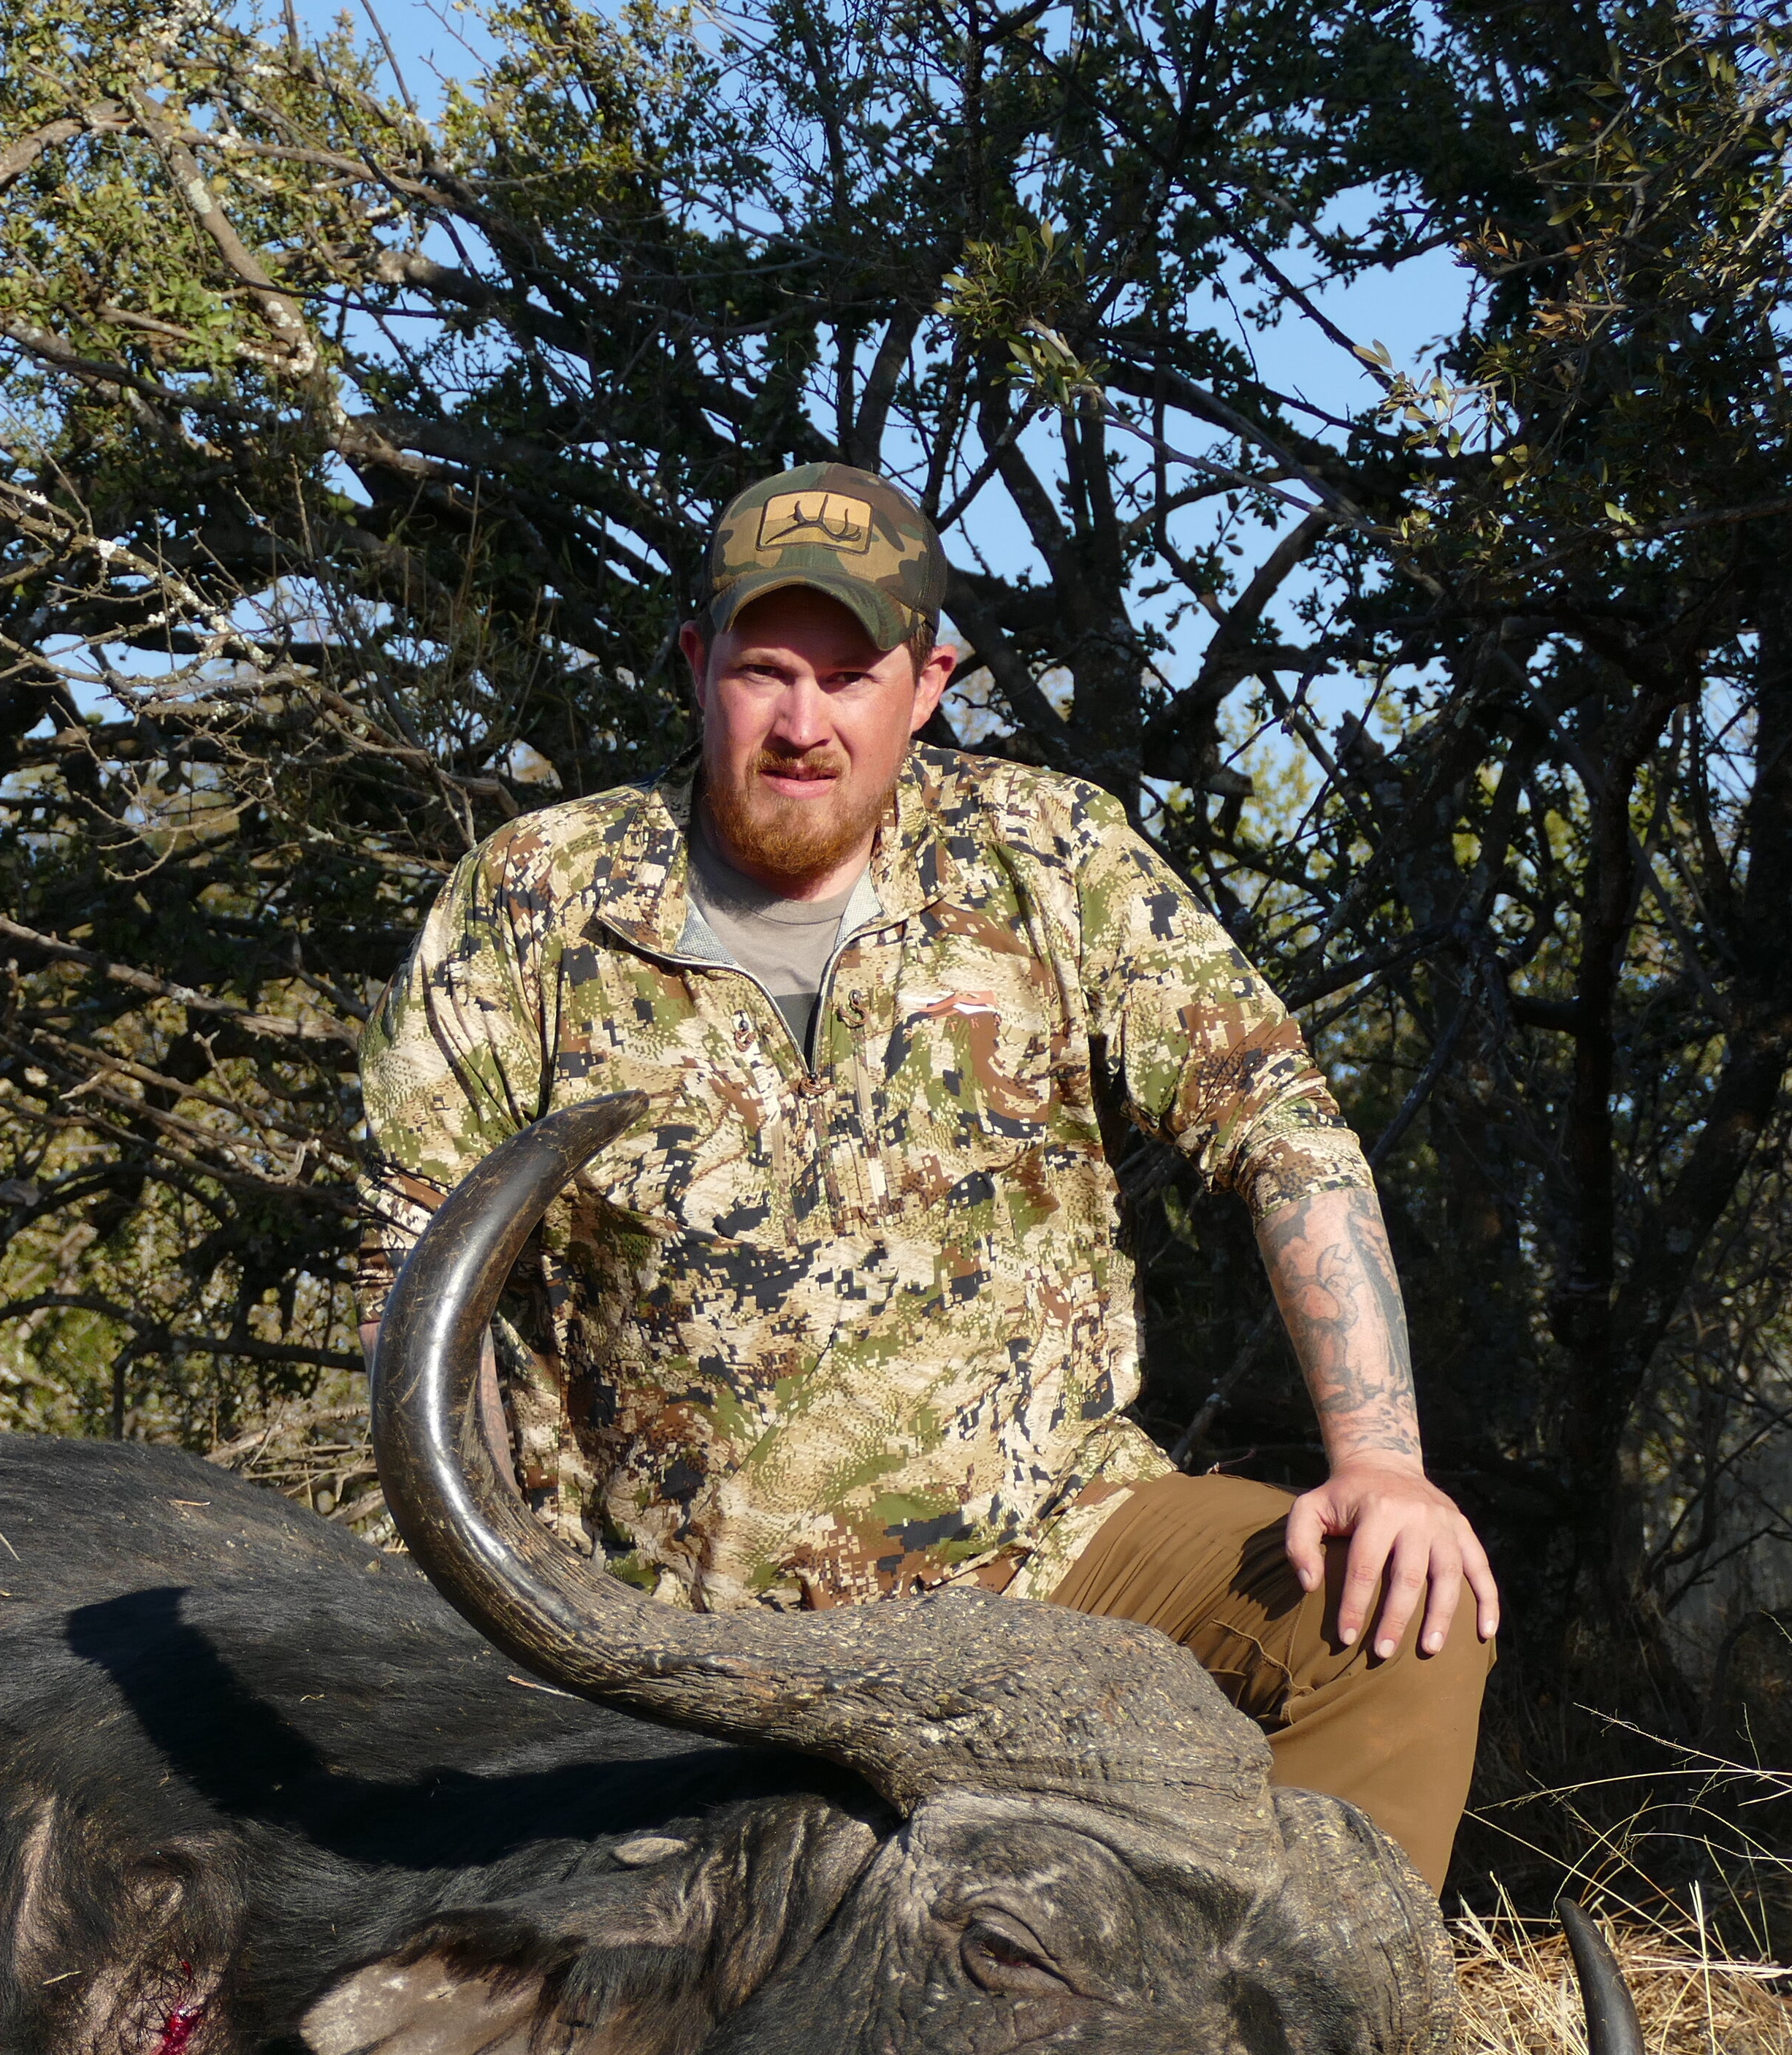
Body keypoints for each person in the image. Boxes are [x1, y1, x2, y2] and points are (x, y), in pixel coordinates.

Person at [358, 462, 1495, 1887]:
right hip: (669, 1623)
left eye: (849, 675)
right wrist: (505, 1610)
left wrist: (1382, 1465)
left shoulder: (1053, 857)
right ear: (693, 665)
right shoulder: (528, 902)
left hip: (1055, 1566)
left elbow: (1286, 1134)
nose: (801, 721)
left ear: (930, 679)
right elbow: (411, 1275)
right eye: (763, 669)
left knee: (1401, 1616)